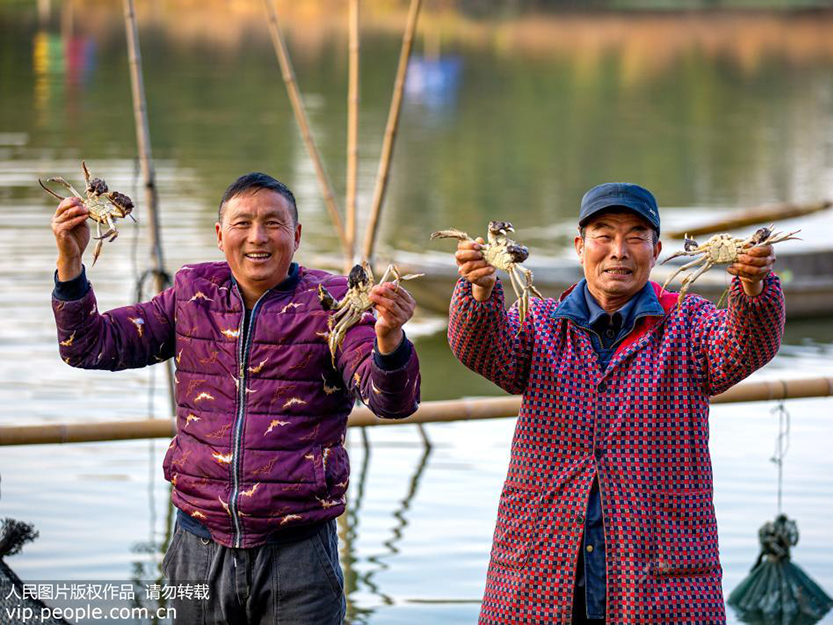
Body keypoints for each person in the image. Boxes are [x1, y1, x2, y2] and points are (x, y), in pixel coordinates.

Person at [49, 172, 420, 624]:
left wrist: (390, 340)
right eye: (242, 223)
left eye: (273, 224)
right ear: (220, 236)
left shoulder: (334, 302)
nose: (257, 237)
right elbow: (89, 346)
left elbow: (391, 401)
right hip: (197, 547)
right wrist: (70, 264)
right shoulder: (191, 294)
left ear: (297, 236)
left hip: (299, 554)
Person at [448, 183, 784, 624]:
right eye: (604, 235)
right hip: (538, 573)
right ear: (580, 245)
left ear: (657, 249)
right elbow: (485, 352)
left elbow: (745, 346)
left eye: (635, 236)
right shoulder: (539, 320)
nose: (618, 251)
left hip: (663, 580)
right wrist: (478, 290)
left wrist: (755, 286)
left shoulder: (690, 321)